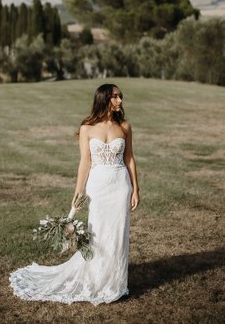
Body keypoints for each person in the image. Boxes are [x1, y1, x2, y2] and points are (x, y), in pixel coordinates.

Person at [9, 83, 140, 305]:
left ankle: (115, 283)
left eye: (120, 96)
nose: (120, 101)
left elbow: (129, 159)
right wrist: (78, 192)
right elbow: (85, 163)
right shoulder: (87, 128)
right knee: (97, 232)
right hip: (98, 187)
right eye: (115, 97)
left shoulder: (125, 126)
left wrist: (136, 189)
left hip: (120, 186)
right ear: (104, 99)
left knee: (117, 233)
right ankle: (96, 276)